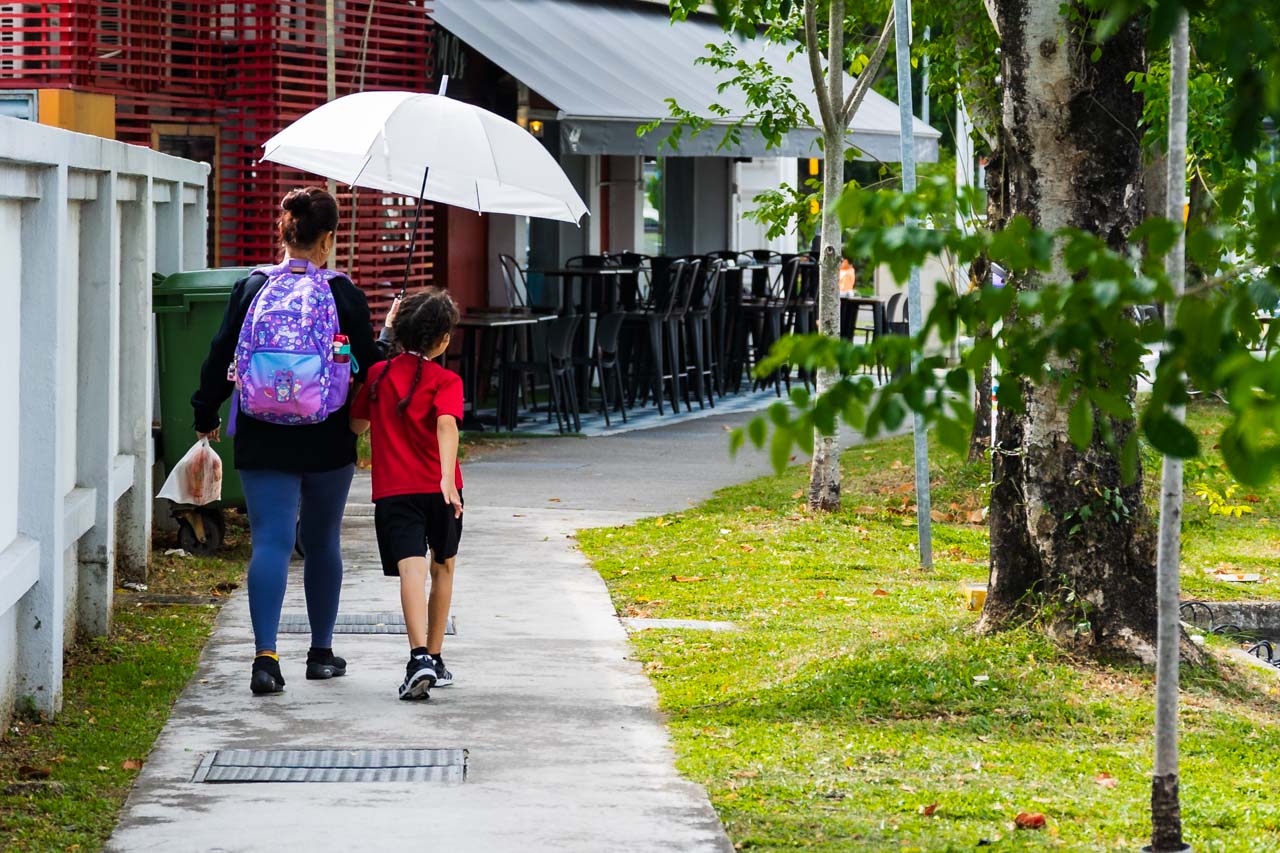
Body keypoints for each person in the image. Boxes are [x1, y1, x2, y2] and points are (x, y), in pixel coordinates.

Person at [191, 187, 382, 695]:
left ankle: (265, 660)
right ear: (328, 239)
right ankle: (320, 654)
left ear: (284, 232)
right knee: (322, 542)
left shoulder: (252, 286)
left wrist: (203, 410)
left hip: (260, 433)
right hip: (328, 436)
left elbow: (219, 352)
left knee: (270, 542)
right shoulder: (343, 293)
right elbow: (371, 363)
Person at [350, 289, 464, 701]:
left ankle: (418, 656)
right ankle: (435, 655)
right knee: (443, 568)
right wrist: (447, 478)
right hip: (440, 491)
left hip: (395, 492)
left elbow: (357, 426)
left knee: (411, 572)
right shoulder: (447, 380)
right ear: (443, 339)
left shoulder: (378, 375)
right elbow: (446, 425)